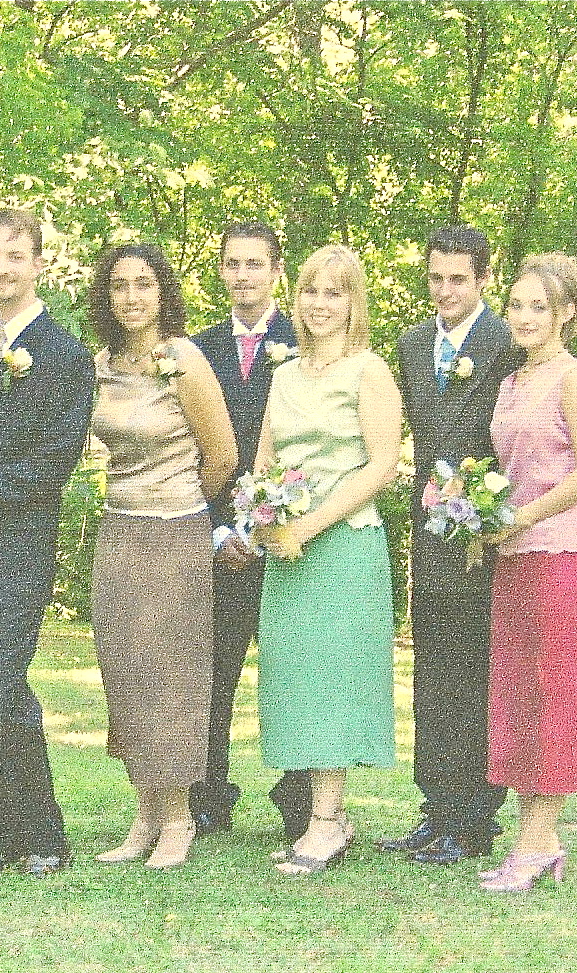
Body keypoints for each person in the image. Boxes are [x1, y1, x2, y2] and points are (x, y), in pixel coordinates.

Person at [0, 208, 95, 877]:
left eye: (15, 256)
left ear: (38, 264)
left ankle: (47, 838)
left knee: (4, 690)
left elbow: (52, 464)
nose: (2, 268)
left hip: (16, 550)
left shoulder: (64, 354)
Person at [252, 245, 403, 876]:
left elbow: (384, 465)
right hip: (287, 551)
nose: (321, 304)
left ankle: (325, 821)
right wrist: (264, 524)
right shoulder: (283, 375)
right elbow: (261, 465)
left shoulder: (369, 371)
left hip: (344, 543)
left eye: (335, 292)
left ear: (353, 302)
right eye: (312, 291)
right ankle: (327, 816)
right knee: (295, 677)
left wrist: (311, 523)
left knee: (334, 675)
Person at [86, 245, 237, 869]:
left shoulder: (183, 359)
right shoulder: (103, 365)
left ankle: (179, 817)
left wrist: (177, 501)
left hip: (176, 533)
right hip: (119, 531)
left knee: (173, 674)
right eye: (119, 286)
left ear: (163, 292)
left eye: (144, 284)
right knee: (127, 671)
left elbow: (222, 456)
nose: (132, 298)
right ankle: (145, 815)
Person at [379, 226, 519, 865]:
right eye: (435, 278)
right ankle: (435, 807)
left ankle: (473, 818)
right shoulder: (412, 345)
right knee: (432, 668)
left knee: (475, 674)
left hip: (485, 531)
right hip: (428, 528)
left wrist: (492, 506)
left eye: (457, 279)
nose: (444, 290)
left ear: (483, 279)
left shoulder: (505, 344)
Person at [480, 252, 577, 892]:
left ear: (567, 313)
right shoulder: (510, 381)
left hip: (565, 561)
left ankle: (530, 848)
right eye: (516, 305)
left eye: (540, 306)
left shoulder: (573, 378)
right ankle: (541, 838)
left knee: (558, 703)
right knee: (524, 702)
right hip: (514, 562)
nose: (525, 317)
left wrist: (522, 515)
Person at [189, 222, 310, 838]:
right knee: (213, 669)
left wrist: (268, 522)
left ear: (277, 270)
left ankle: (300, 802)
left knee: (293, 670)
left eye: (255, 264)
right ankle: (207, 795)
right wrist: (219, 529)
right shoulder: (193, 348)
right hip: (215, 538)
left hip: (290, 534)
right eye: (233, 263)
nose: (244, 275)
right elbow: (186, 444)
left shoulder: (306, 340)